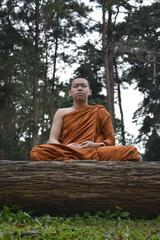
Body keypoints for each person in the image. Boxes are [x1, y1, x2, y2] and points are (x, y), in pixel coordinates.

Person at [30, 77, 140, 161]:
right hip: (68, 150)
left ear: (89, 91)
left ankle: (74, 159)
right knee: (36, 152)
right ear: (70, 92)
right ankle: (79, 158)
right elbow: (52, 140)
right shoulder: (61, 112)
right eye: (76, 86)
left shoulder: (100, 111)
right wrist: (66, 146)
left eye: (83, 86)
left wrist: (93, 145)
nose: (80, 88)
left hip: (93, 150)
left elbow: (110, 141)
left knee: (131, 151)